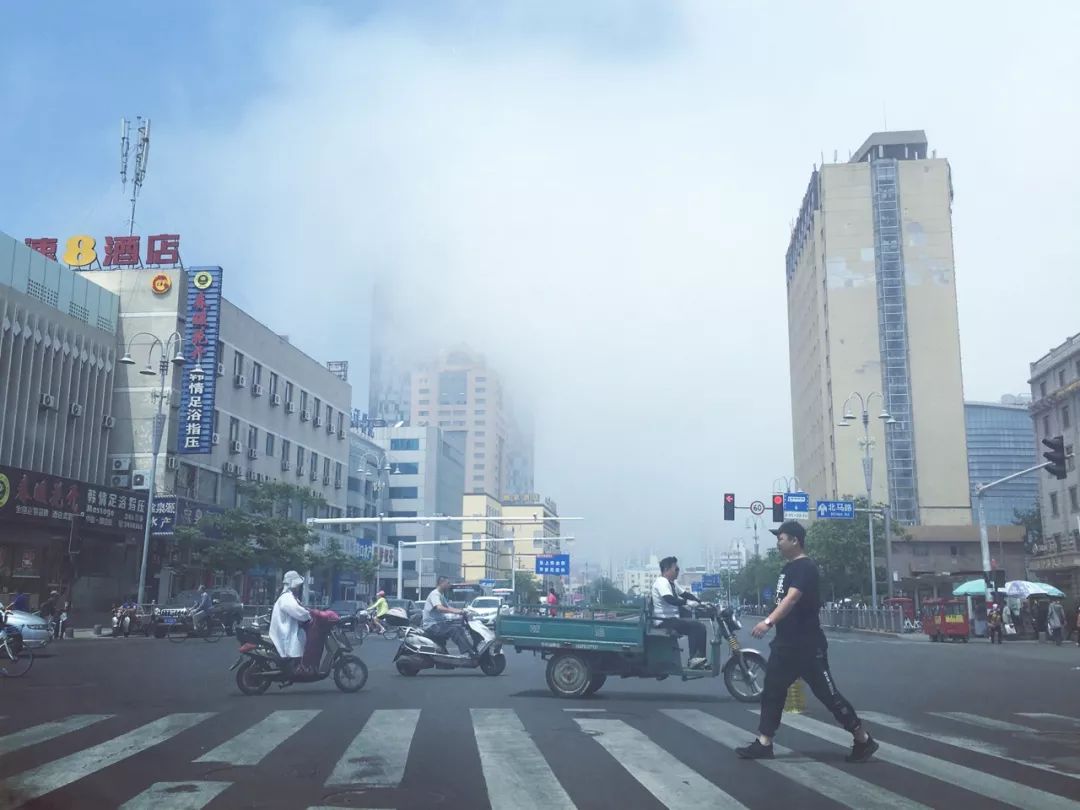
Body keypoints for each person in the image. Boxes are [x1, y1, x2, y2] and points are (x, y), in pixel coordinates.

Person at [737, 521, 877, 763]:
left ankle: (863, 739)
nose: (778, 543)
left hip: (807, 646)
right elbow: (782, 600)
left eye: (781, 538)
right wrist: (772, 619)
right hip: (785, 644)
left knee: (828, 695)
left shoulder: (805, 567)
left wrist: (768, 622)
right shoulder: (787, 569)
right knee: (772, 690)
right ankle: (764, 742)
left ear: (795, 541)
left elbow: (791, 600)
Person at [650, 556, 707, 669]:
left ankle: (699, 658)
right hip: (665, 622)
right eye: (676, 569)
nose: (678, 571)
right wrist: (688, 603)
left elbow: (685, 594)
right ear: (666, 569)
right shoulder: (661, 582)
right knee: (696, 627)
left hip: (672, 620)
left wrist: (700, 602)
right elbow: (669, 599)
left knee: (700, 627)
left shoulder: (672, 583)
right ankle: (693, 659)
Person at [422, 575, 475, 656]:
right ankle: (468, 652)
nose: (449, 585)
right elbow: (440, 608)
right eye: (448, 583)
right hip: (432, 626)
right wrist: (458, 612)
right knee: (454, 630)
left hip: (439, 624)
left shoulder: (441, 595)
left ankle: (471, 649)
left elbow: (448, 608)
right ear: (441, 583)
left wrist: (462, 611)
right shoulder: (435, 594)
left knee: (459, 628)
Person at [270, 571, 311, 673]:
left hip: (286, 629)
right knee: (302, 638)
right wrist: (309, 615)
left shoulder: (288, 596)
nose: (298, 587)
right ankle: (298, 667)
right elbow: (298, 612)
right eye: (297, 585)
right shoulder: (287, 598)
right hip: (285, 631)